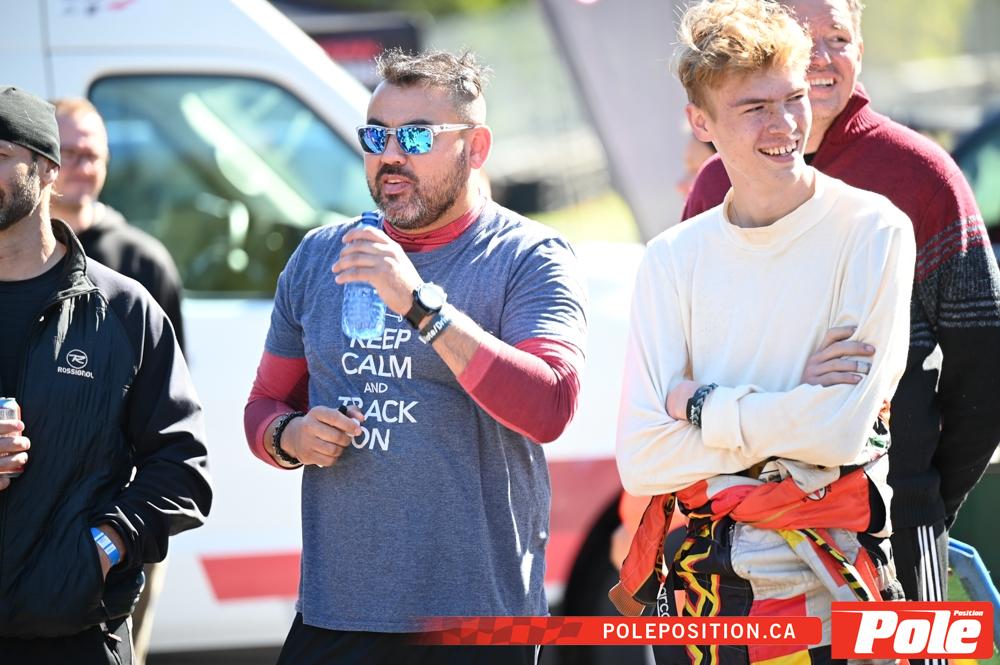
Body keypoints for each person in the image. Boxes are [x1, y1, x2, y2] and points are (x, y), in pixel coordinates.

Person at [244, 49, 587, 665]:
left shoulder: (528, 257)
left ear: (475, 147)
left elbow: (550, 405)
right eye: (376, 136)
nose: (391, 155)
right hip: (339, 612)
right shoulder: (320, 255)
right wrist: (290, 437)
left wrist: (420, 305)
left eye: (417, 136)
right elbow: (264, 406)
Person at [612, 2, 914, 663]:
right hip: (708, 602)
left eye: (794, 98)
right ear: (701, 122)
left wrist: (701, 405)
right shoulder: (671, 259)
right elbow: (642, 457)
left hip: (842, 596)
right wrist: (794, 402)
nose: (785, 125)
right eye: (755, 107)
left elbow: (842, 432)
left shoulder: (875, 230)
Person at [681, 0, 1000, 627]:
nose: (822, 58)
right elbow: (688, 362)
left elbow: (985, 367)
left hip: (891, 527)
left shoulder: (922, 176)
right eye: (804, 39)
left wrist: (920, 495)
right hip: (742, 528)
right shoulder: (716, 187)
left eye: (839, 37)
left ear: (862, 47)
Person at [0, 86, 212, 664]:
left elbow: (183, 467)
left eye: (0, 155)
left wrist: (101, 548)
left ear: (47, 169)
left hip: (78, 636)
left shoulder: (124, 309)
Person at [50, 97, 186, 353]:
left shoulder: (144, 261)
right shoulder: (13, 253)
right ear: (41, 158)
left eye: (93, 156)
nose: (84, 169)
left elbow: (170, 371)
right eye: (69, 154)